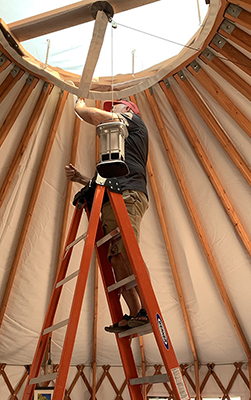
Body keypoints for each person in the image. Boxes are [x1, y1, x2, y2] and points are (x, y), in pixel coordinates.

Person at [65, 98, 149, 333]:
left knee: (127, 251)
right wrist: (81, 178)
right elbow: (101, 180)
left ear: (129, 110)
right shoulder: (116, 148)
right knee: (115, 258)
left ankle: (149, 310)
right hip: (112, 197)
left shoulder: (134, 122)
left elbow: (99, 118)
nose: (111, 110)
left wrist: (80, 108)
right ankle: (136, 313)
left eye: (116, 106)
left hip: (128, 195)